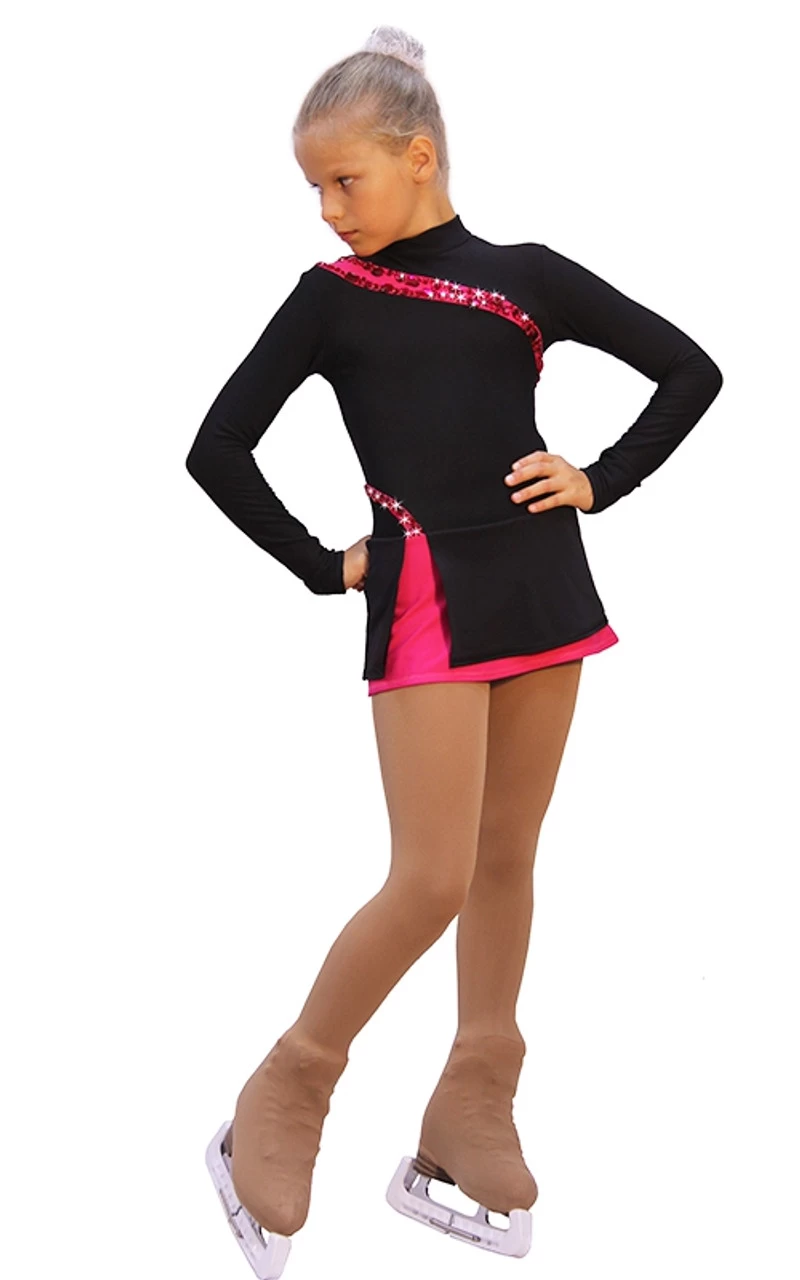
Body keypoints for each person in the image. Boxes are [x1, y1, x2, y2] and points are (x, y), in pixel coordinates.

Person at [188, 22, 723, 1273]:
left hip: (542, 593)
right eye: (313, 189)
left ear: (415, 157)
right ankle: (289, 1082)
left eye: (343, 181)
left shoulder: (525, 276)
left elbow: (689, 370)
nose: (327, 212)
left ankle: (473, 1091)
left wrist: (599, 478)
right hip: (423, 596)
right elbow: (217, 448)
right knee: (427, 874)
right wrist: (322, 561)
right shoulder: (330, 301)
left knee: (503, 855)